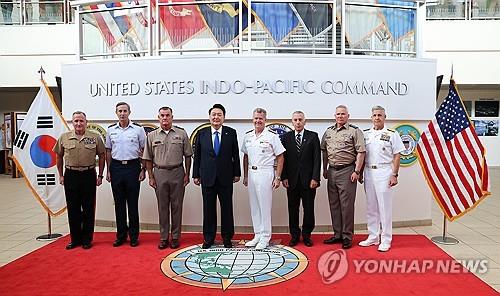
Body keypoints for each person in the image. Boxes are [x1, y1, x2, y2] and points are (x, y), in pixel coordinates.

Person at [53, 111, 105, 250]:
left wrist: (100, 175)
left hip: (88, 175)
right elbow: (58, 157)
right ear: (72, 122)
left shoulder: (95, 137)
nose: (78, 123)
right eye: (76, 121)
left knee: (88, 208)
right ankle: (75, 239)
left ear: (86, 122)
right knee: (73, 208)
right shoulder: (64, 138)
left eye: (81, 121)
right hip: (71, 175)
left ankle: (87, 240)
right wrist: (61, 175)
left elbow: (102, 155)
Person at [143, 107, 192, 250]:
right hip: (160, 173)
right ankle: (164, 238)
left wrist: (187, 174)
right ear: (158, 117)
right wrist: (151, 177)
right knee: (162, 207)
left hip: (178, 172)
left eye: (167, 115)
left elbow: (188, 156)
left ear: (172, 117)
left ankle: (175, 237)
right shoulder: (151, 136)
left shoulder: (181, 133)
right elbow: (148, 159)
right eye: (162, 116)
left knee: (177, 207)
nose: (165, 118)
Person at [193, 104, 241, 249]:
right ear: (209, 117)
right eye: (213, 114)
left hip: (226, 177)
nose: (216, 117)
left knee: (227, 208)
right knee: (208, 209)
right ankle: (209, 238)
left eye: (219, 114)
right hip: (207, 177)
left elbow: (235, 154)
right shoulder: (201, 134)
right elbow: (198, 157)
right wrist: (196, 175)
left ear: (224, 117)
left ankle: (227, 238)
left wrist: (237, 172)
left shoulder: (231, 133)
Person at [359, 106, 404, 252]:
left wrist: (394, 174)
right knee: (371, 207)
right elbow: (361, 154)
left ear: (385, 117)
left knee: (384, 208)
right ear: (371, 117)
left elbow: (397, 154)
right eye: (374, 115)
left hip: (384, 172)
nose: (377, 118)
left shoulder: (392, 133)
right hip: (368, 172)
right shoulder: (365, 134)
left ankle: (386, 239)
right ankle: (373, 236)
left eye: (380, 115)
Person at [321, 105, 365, 249]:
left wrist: (357, 171)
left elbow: (361, 152)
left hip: (347, 171)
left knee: (346, 206)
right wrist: (324, 168)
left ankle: (347, 236)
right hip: (332, 171)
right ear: (335, 116)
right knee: (334, 205)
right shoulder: (328, 132)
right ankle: (337, 234)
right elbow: (324, 152)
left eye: (343, 114)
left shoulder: (354, 131)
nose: (340, 116)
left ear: (348, 116)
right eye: (338, 114)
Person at [242, 108, 285, 250]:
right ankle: (258, 235)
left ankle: (266, 237)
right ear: (252, 119)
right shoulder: (248, 136)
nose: (258, 121)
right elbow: (246, 156)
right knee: (254, 206)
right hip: (251, 173)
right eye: (255, 118)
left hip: (265, 173)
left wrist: (278, 177)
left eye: (260, 118)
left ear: (265, 120)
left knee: (264, 207)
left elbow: (280, 157)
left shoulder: (271, 136)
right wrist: (246, 176)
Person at [105, 102, 146, 247]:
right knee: (119, 204)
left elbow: (144, 150)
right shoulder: (110, 130)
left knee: (133, 204)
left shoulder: (138, 130)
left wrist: (143, 169)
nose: (122, 113)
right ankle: (121, 235)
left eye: (125, 111)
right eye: (119, 111)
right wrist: (108, 170)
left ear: (129, 112)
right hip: (116, 168)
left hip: (133, 167)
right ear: (116, 113)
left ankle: (134, 236)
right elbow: (108, 151)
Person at [281, 111, 321, 247]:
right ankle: (294, 235)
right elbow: (283, 159)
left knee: (308, 208)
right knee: (293, 208)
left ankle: (307, 235)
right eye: (295, 120)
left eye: (300, 120)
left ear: (305, 121)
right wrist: (284, 177)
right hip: (291, 180)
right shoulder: (285, 137)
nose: (298, 122)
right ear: (292, 122)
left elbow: (317, 159)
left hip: (309, 180)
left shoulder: (313, 136)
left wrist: (315, 178)